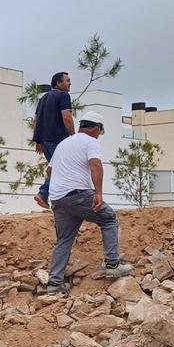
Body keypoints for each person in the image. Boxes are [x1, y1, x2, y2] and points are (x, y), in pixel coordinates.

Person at [45, 111, 131, 295]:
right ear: (95, 128)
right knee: (108, 218)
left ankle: (54, 285)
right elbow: (95, 164)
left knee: (64, 240)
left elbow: (49, 170)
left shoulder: (64, 144)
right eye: (99, 131)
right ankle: (113, 264)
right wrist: (98, 192)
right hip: (78, 194)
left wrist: (61, 185)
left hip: (59, 198)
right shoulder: (90, 142)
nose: (99, 135)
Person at [32, 72, 75, 209]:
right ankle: (44, 193)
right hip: (58, 140)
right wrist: (73, 137)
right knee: (60, 169)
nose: (70, 83)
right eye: (67, 81)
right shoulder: (63, 96)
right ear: (58, 83)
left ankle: (57, 200)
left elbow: (36, 121)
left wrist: (38, 140)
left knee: (56, 169)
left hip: (44, 141)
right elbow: (66, 116)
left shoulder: (43, 98)